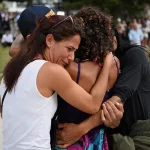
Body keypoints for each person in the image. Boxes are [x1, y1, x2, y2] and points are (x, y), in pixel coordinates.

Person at [0, 6, 114, 150]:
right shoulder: (51, 71)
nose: (71, 58)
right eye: (69, 49)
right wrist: (108, 61)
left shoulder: (14, 67)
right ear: (49, 40)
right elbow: (93, 105)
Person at [57, 28, 150, 150]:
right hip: (111, 136)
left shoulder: (133, 56)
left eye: (100, 43)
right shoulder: (97, 63)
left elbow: (117, 100)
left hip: (137, 135)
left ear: (114, 41)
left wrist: (80, 129)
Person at [55, 7, 122, 150]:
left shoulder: (70, 68)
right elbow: (108, 105)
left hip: (67, 139)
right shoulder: (114, 63)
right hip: (97, 139)